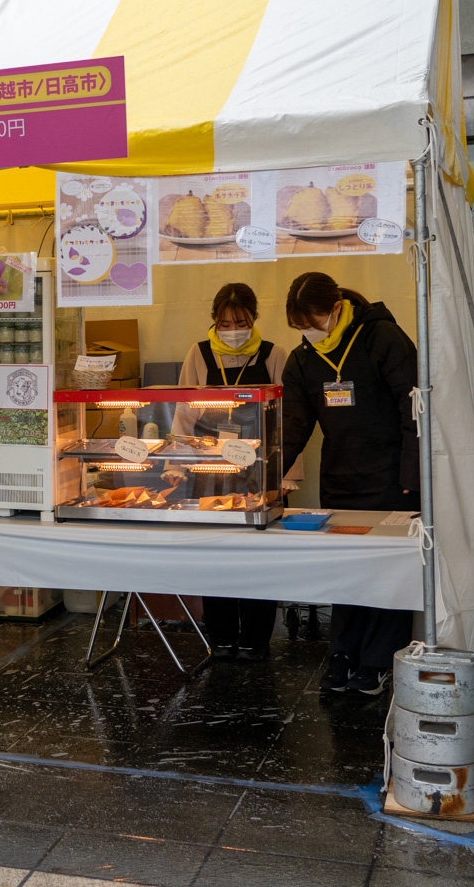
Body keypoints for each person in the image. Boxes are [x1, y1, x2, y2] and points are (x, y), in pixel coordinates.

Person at [280, 272, 418, 696]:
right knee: (347, 570)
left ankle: (377, 661)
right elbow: (292, 423)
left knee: (386, 569)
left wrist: (413, 477)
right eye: (299, 325)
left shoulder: (385, 338)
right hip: (339, 476)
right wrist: (270, 475)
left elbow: (414, 410)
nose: (307, 331)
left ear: (336, 308)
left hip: (392, 476)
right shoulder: (303, 357)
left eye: (312, 320)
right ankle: (342, 653)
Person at [168, 283, 289, 662]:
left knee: (259, 556)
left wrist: (288, 475)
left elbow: (289, 419)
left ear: (254, 318)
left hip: (260, 470)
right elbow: (184, 410)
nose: (233, 328)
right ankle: (220, 637)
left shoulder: (274, 354)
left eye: (241, 321)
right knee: (214, 554)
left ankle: (256, 639)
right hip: (211, 470)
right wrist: (175, 462)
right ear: (213, 321)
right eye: (225, 322)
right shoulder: (199, 353)